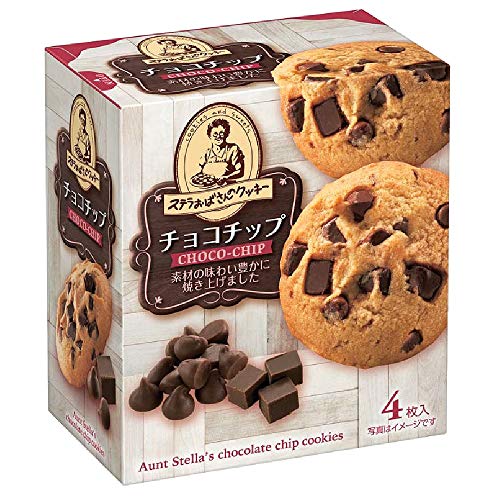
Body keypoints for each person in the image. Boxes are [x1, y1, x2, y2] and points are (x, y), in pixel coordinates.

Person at [197, 118, 245, 185]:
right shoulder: (206, 153)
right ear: (209, 136)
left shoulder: (233, 149)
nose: (218, 137)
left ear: (226, 134)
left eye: (221, 133)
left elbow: (240, 171)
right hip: (208, 188)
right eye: (215, 134)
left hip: (227, 188)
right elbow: (200, 173)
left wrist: (226, 177)